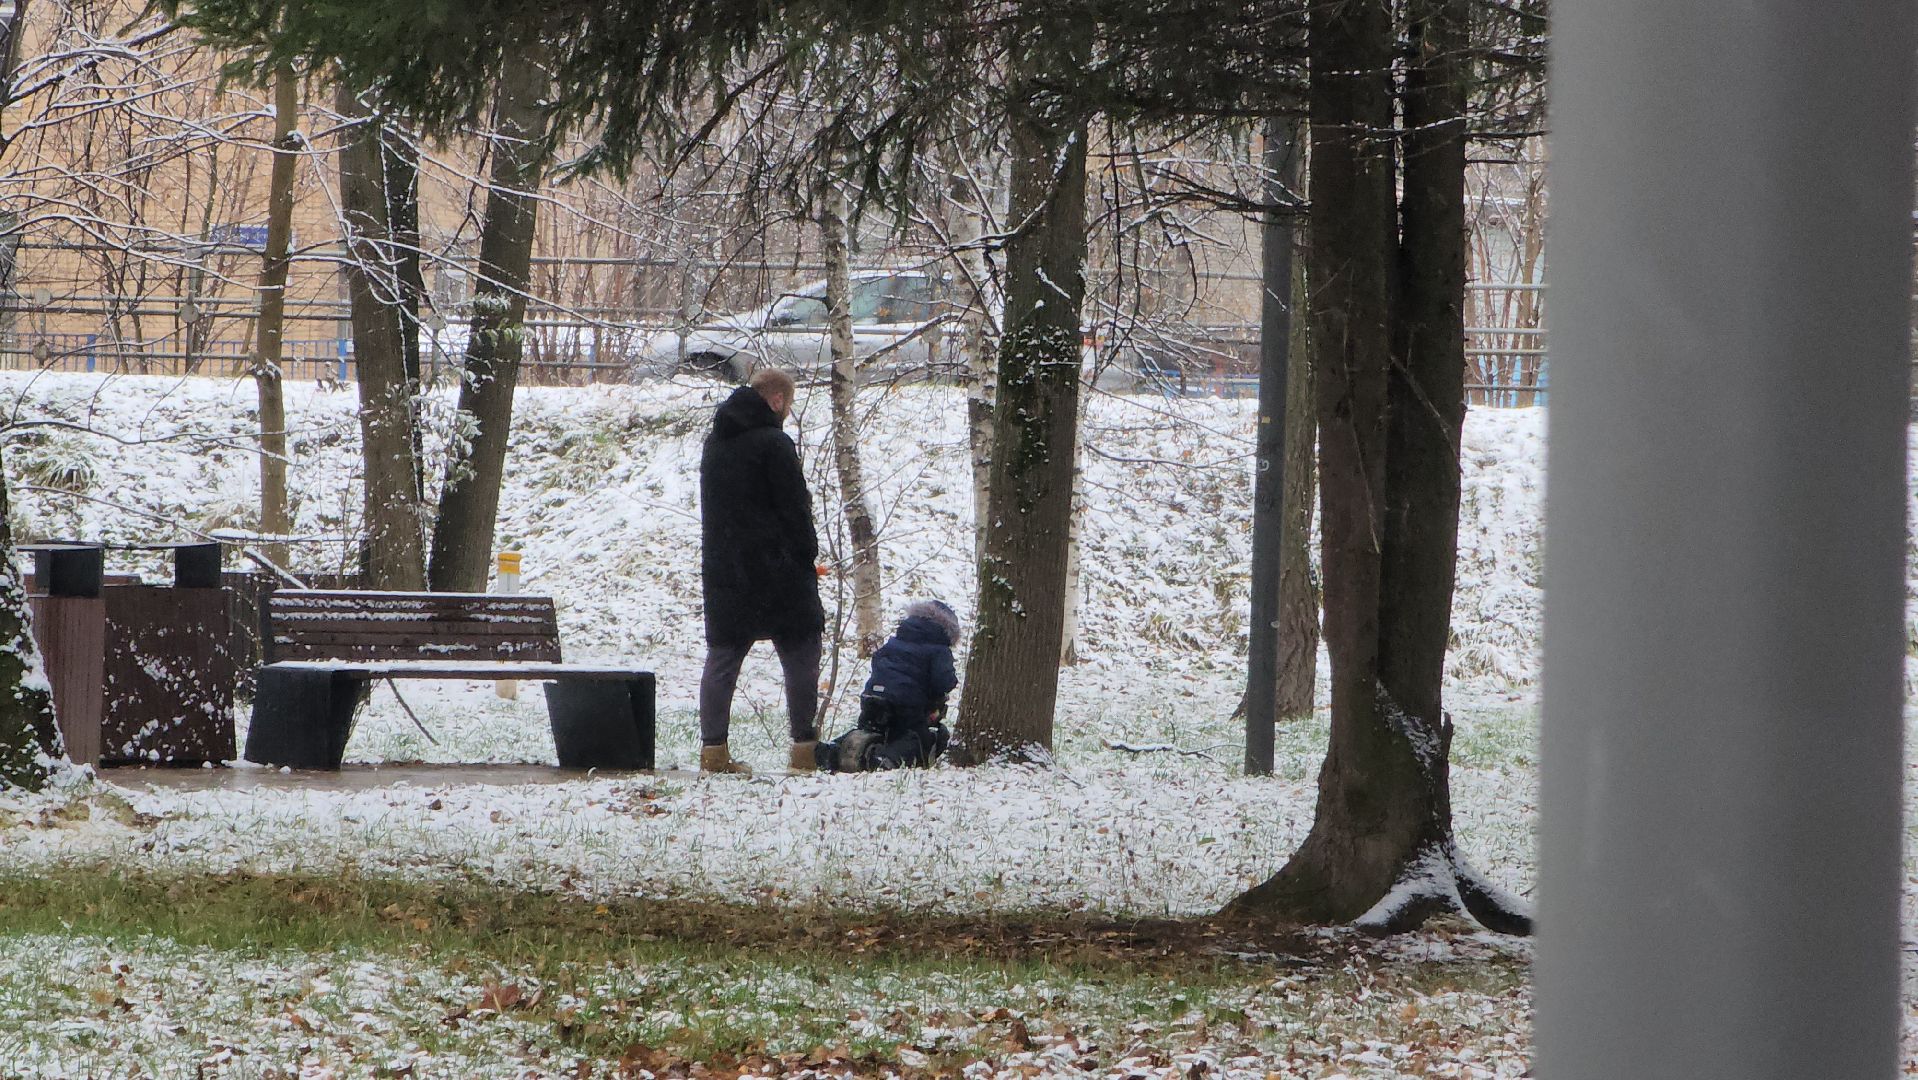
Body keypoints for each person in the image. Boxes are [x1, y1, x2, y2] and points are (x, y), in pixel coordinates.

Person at [698, 368, 824, 774]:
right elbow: (794, 509)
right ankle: (804, 752)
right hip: (780, 570)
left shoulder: (714, 444)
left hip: (726, 570)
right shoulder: (775, 443)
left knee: (722, 661)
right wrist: (807, 554)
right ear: (776, 401)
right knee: (801, 653)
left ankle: (713, 753)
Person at [816, 600, 960, 772]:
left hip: (873, 696)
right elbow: (943, 682)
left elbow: (878, 661)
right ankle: (886, 758)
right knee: (918, 735)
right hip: (906, 703)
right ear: (947, 630)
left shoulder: (895, 641)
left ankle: (833, 750)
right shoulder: (939, 649)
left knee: (869, 728)